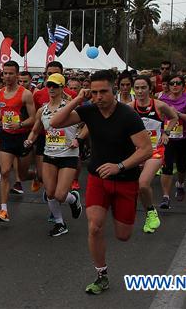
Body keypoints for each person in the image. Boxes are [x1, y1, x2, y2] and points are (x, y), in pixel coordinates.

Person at [49, 70, 152, 295]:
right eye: (94, 92)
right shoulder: (89, 111)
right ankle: (101, 275)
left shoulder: (128, 116)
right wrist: (77, 99)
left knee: (122, 235)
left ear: (114, 89)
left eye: (103, 91)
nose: (98, 97)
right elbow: (55, 122)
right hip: (97, 178)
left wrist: (120, 166)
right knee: (95, 227)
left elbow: (146, 149)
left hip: (125, 180)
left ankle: (128, 211)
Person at [25, 73, 83, 237]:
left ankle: (73, 199)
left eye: (55, 86)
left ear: (62, 88)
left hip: (68, 155)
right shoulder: (42, 110)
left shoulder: (71, 107)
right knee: (50, 193)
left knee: (60, 194)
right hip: (49, 155)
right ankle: (60, 223)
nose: (51, 88)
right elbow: (35, 130)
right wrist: (29, 141)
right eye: (49, 85)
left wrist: (78, 139)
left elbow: (87, 125)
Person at [129, 76, 178, 233]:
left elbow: (174, 117)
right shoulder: (129, 107)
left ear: (150, 89)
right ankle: (149, 211)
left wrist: (167, 132)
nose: (140, 91)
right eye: (137, 88)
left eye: (144, 87)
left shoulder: (159, 105)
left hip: (155, 150)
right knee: (137, 188)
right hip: (136, 151)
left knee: (143, 183)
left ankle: (150, 212)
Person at [0, 61, 36, 222]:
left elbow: (33, 119)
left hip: (23, 137)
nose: (8, 76)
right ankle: (3, 210)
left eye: (11, 73)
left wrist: (20, 124)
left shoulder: (25, 94)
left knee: (23, 175)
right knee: (5, 172)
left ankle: (36, 176)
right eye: (5, 73)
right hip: (7, 137)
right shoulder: (0, 93)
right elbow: (2, 111)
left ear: (17, 75)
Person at [157, 73, 186, 208]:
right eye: (172, 83)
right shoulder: (162, 98)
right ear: (168, 86)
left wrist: (178, 114)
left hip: (185, 138)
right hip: (167, 137)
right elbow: (158, 118)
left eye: (178, 83)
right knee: (167, 166)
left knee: (181, 167)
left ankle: (180, 184)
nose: (175, 85)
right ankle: (165, 197)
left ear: (183, 86)